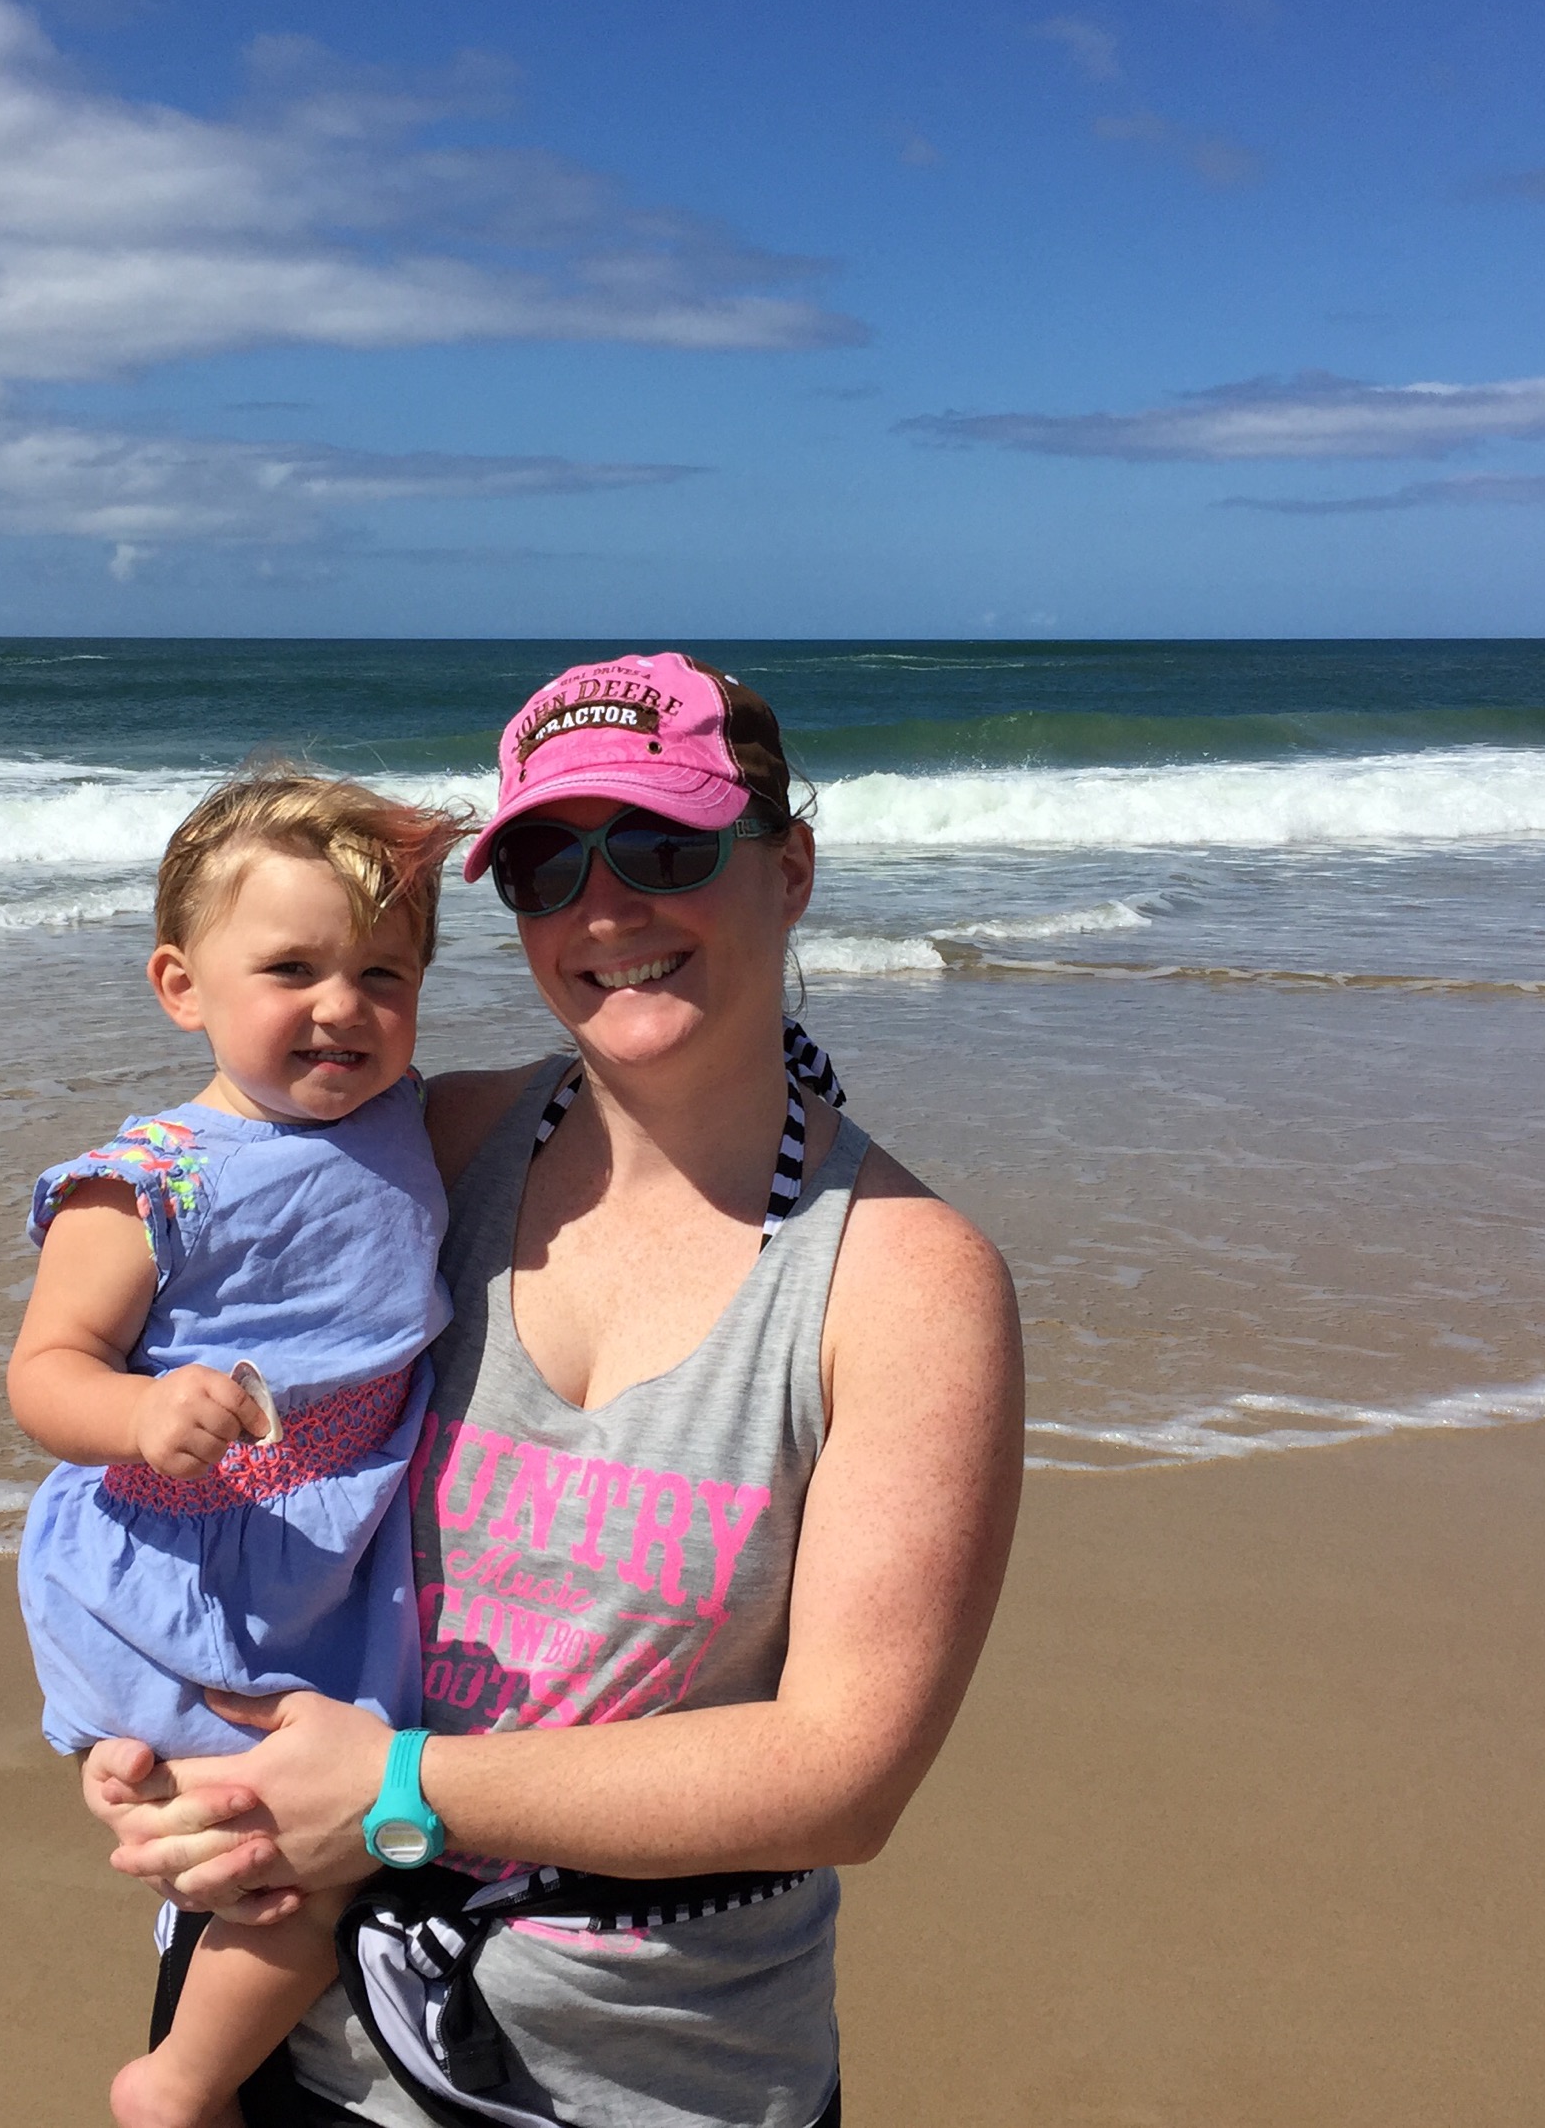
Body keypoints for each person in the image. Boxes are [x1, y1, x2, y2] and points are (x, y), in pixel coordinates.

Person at [81, 654, 1027, 2128]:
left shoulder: (902, 1281)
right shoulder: (429, 1150)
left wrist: (399, 1790)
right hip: (294, 2036)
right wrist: (149, 1728)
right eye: (545, 866)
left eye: (662, 847)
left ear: (789, 869)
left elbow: (844, 1772)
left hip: (651, 2075)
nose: (604, 909)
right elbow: (179, 1435)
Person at [8, 766, 470, 2128]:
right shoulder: (150, 1182)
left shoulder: (410, 1117)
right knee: (294, 1860)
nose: (344, 1006)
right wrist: (141, 1412)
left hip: (340, 1544)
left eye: (385, 974)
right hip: (198, 1555)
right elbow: (44, 1373)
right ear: (182, 985)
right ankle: (180, 2083)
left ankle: (136, 1778)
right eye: (291, 969)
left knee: (309, 1808)